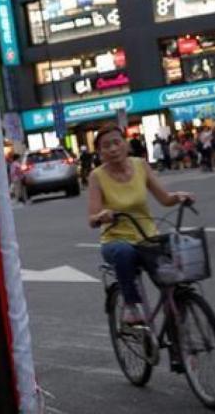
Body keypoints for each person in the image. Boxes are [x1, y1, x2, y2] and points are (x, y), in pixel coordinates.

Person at [87, 124, 194, 326]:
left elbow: (164, 198)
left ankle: (175, 314)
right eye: (106, 146)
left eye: (117, 142)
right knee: (125, 253)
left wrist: (178, 196)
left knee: (174, 257)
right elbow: (92, 219)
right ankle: (131, 306)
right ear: (100, 152)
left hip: (148, 237)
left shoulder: (140, 165)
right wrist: (102, 215)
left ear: (126, 144)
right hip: (116, 239)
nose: (112, 149)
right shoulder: (96, 176)